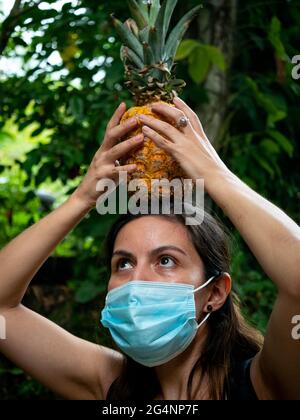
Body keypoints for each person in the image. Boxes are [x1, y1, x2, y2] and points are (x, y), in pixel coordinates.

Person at [0, 97, 299, 400]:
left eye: (166, 260)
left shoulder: (264, 385)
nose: (137, 279)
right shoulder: (108, 385)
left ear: (215, 293)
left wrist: (214, 174)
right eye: (124, 264)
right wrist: (82, 199)